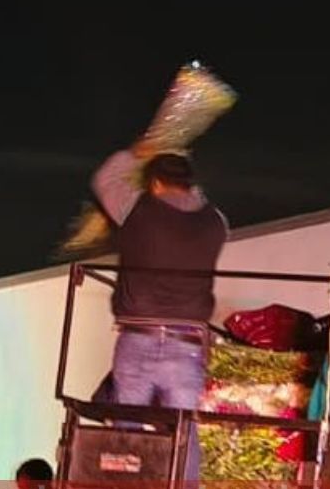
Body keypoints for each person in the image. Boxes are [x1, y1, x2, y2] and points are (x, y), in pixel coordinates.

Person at [92, 147, 228, 412]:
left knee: (128, 432)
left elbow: (105, 179)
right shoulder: (216, 222)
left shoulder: (136, 210)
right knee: (182, 432)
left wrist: (138, 152)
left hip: (138, 337)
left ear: (154, 183)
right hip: (187, 344)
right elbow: (198, 202)